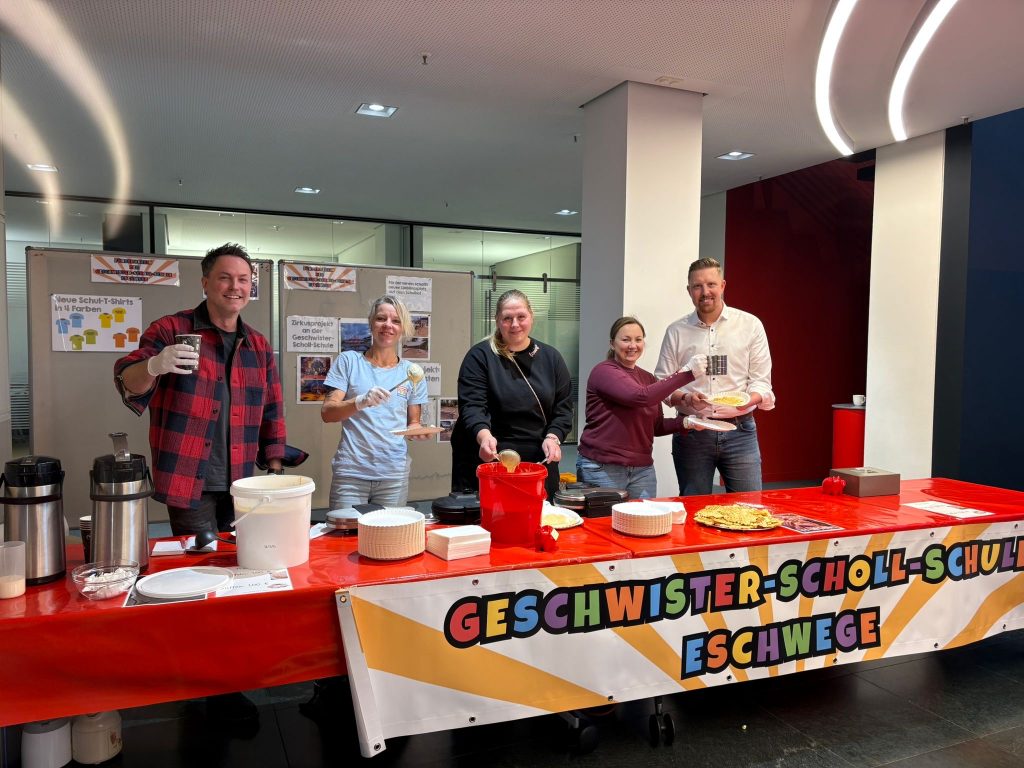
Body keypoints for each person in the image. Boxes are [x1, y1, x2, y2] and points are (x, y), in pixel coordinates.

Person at [113, 242, 284, 729]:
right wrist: (155, 365)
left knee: (239, 579)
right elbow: (128, 382)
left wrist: (275, 464)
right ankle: (207, 688)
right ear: (206, 282)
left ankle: (226, 678)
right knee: (198, 582)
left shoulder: (258, 344)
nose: (235, 287)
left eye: (244, 279)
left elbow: (272, 406)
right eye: (225, 277)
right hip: (189, 478)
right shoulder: (171, 330)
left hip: (242, 483)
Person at [655, 257, 775, 495]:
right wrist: (685, 399)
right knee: (694, 505)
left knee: (749, 505)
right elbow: (662, 383)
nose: (705, 292)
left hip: (741, 430)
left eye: (711, 284)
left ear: (722, 285)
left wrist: (747, 401)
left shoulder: (750, 325)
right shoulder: (676, 331)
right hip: (693, 431)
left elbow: (761, 381)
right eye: (697, 286)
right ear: (689, 290)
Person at [451, 289, 573, 499]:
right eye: (507, 318)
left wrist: (554, 437)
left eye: (521, 317)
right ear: (497, 320)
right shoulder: (480, 356)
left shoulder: (551, 357)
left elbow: (563, 408)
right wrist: (484, 436)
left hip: (539, 456)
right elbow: (472, 406)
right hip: (491, 455)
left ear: (531, 317)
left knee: (541, 513)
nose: (515, 324)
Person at [576, 317, 708, 499]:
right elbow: (640, 397)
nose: (633, 345)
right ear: (612, 344)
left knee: (645, 517)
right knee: (605, 518)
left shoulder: (648, 378)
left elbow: (656, 426)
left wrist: (688, 422)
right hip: (603, 467)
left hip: (642, 470)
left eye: (638, 339)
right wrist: (687, 373)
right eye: (626, 339)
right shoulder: (604, 371)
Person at [321, 295, 429, 508]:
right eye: (381, 318)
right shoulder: (349, 361)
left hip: (393, 475)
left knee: (389, 531)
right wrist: (360, 401)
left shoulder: (412, 373)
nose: (388, 325)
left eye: (396, 321)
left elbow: (413, 424)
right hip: (351, 474)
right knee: (347, 531)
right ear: (371, 323)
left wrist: (420, 431)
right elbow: (328, 413)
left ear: (403, 328)